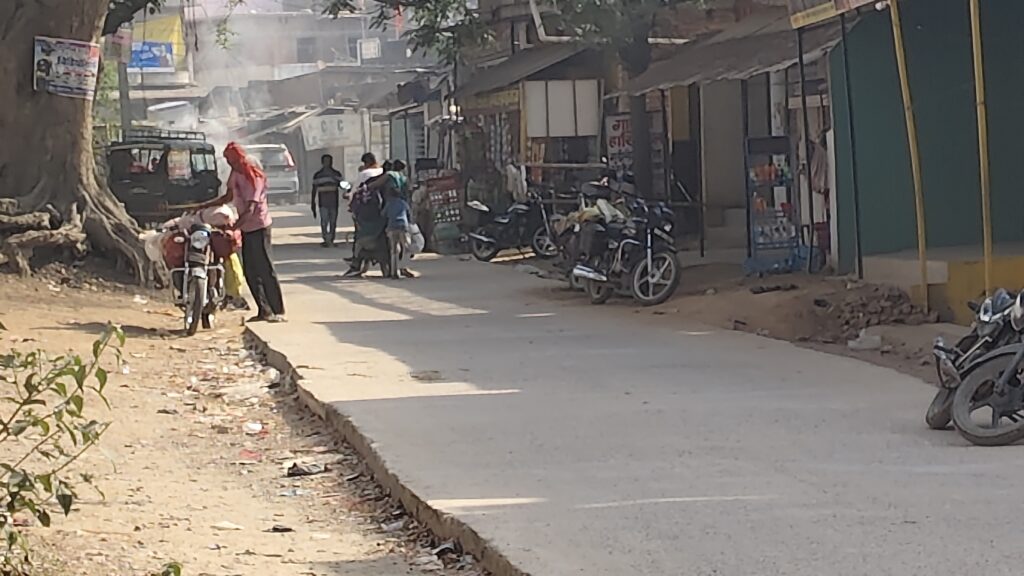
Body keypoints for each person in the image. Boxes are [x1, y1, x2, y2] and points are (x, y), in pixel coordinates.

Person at [201, 142, 286, 322]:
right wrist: (206, 205)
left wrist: (234, 227)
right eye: (226, 160)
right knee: (250, 270)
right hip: (247, 228)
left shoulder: (254, 177)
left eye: (230, 160)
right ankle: (264, 310)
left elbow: (251, 208)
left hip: (259, 227)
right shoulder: (235, 174)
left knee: (265, 268)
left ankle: (277, 310)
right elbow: (228, 196)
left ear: (238, 158)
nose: (228, 163)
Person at [311, 154, 344, 247]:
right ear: (322, 162)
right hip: (323, 203)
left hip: (334, 202)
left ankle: (331, 239)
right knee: (324, 222)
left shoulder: (336, 174)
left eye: (329, 161)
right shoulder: (318, 175)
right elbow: (314, 190)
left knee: (333, 222)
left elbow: (342, 185)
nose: (327, 163)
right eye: (326, 161)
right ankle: (326, 239)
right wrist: (313, 203)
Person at [383, 185, 412, 279]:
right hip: (403, 226)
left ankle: (394, 271)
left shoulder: (389, 204)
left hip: (392, 227)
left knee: (394, 249)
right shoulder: (403, 203)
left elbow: (383, 214)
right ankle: (404, 267)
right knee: (406, 247)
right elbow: (409, 214)